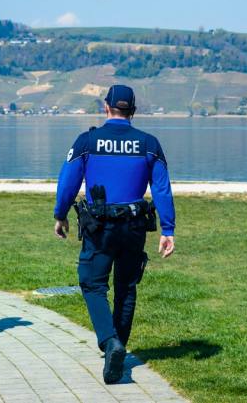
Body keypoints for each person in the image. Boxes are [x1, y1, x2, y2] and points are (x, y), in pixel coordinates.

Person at [54, 84, 176, 384]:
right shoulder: (149, 144)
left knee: (92, 284)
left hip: (100, 227)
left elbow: (68, 182)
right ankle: (117, 350)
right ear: (132, 110)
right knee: (126, 288)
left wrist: (60, 215)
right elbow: (161, 188)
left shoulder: (87, 141)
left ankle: (110, 343)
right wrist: (168, 228)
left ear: (106, 107)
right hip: (134, 227)